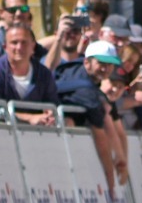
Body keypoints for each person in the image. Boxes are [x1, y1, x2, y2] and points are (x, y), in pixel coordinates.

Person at [54, 37, 129, 193]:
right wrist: (111, 183)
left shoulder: (74, 69)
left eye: (110, 64)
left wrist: (122, 160)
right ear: (87, 62)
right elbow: (101, 138)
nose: (106, 68)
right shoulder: (87, 92)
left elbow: (115, 124)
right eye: (101, 63)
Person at [0, 23, 58, 123]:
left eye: (24, 42)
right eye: (14, 42)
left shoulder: (44, 74)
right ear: (5, 47)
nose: (19, 47)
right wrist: (29, 118)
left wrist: (50, 115)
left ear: (33, 45)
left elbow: (53, 105)